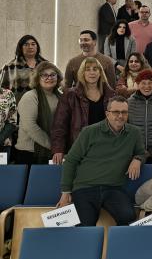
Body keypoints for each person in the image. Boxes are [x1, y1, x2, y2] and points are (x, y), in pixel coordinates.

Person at [54, 96, 145, 226]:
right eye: (116, 112)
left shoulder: (134, 133)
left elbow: (141, 152)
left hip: (113, 188)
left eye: (124, 112)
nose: (120, 116)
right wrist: (65, 192)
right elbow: (71, 161)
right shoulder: (89, 132)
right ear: (107, 114)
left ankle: (116, 246)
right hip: (85, 187)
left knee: (128, 217)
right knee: (85, 224)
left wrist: (138, 159)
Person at [51, 58, 116, 164]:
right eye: (88, 69)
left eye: (95, 69)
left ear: (100, 73)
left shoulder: (111, 95)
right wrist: (58, 149)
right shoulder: (70, 95)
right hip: (80, 149)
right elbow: (59, 125)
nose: (92, 72)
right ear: (82, 73)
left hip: (106, 149)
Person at [15, 62, 63, 164]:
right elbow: (30, 127)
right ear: (37, 78)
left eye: (53, 74)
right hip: (29, 154)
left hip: (53, 153)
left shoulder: (61, 97)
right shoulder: (30, 97)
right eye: (44, 75)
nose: (49, 78)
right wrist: (54, 146)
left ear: (58, 77)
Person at [1, 35, 47, 102]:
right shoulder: (9, 67)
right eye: (26, 44)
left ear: (37, 47)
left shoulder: (46, 65)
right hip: (17, 108)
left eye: (33, 44)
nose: (30, 47)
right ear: (20, 48)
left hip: (43, 106)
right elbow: (1, 90)